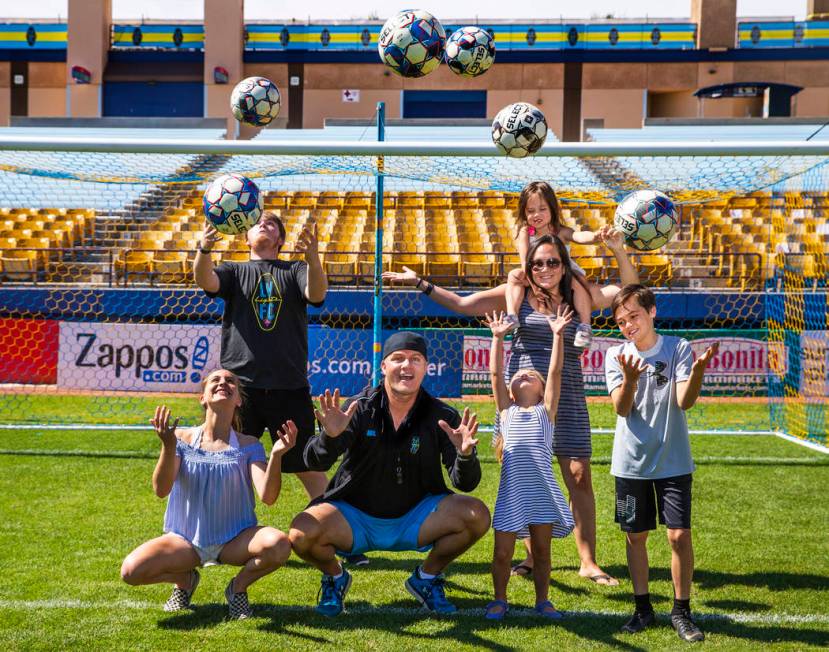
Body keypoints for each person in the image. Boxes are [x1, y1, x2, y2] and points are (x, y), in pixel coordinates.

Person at [384, 231, 636, 586]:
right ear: (528, 268)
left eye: (552, 262)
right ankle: (532, 556)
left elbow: (628, 293)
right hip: (520, 401)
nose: (545, 268)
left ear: (564, 266)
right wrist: (419, 283)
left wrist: (619, 251)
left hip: (568, 393)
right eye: (537, 263)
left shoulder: (578, 295)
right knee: (523, 475)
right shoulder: (514, 294)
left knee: (578, 475)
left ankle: (588, 561)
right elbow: (462, 304)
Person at [288, 331, 490, 617]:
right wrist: (330, 437)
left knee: (476, 514)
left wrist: (465, 456)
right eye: (398, 358)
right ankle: (335, 577)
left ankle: (427, 579)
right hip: (355, 518)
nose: (406, 366)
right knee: (301, 532)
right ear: (383, 366)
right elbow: (314, 460)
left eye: (415, 359)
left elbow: (465, 484)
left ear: (426, 368)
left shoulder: (442, 415)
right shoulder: (360, 407)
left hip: (417, 518)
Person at [120, 369, 296, 619]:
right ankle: (185, 579)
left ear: (239, 400)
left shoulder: (249, 445)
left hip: (235, 541)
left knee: (278, 544)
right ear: (202, 397)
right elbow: (161, 490)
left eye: (230, 381)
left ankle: (237, 589)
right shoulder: (181, 438)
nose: (223, 383)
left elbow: (268, 496)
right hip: (186, 541)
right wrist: (168, 446)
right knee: (131, 571)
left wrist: (277, 455)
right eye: (215, 380)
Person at [194, 211, 333, 522]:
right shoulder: (232, 270)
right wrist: (203, 251)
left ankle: (337, 533)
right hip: (240, 391)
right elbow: (207, 280)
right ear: (245, 237)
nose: (264, 226)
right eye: (258, 222)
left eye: (272, 224)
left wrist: (313, 260)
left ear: (280, 240)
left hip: (290, 388)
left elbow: (317, 293)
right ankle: (221, 530)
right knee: (226, 460)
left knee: (306, 464)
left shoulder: (295, 269)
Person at [605, 284, 718, 642]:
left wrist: (697, 371)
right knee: (635, 536)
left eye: (633, 316)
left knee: (678, 535)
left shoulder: (677, 348)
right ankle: (642, 609)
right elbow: (621, 409)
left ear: (652, 312)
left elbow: (684, 402)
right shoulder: (617, 356)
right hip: (630, 464)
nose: (628, 326)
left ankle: (682, 611)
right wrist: (630, 380)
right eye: (621, 321)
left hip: (673, 461)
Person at [484, 308, 575, 621]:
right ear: (509, 391)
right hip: (512, 494)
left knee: (542, 553)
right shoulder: (506, 412)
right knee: (502, 553)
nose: (523, 374)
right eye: (518, 375)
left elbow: (556, 373)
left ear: (540, 390)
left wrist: (558, 334)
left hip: (542, 494)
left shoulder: (546, 413)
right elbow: (496, 374)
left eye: (531, 375)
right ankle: (499, 599)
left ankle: (543, 600)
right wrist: (498, 338)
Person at [505, 181, 605, 348]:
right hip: (535, 273)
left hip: (563, 272)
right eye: (531, 211)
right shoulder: (525, 232)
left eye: (542, 209)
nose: (536, 214)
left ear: (552, 209)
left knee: (577, 282)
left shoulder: (559, 231)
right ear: (524, 212)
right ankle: (512, 316)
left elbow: (579, 236)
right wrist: (534, 287)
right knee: (513, 276)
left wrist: (595, 236)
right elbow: (525, 263)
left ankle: (585, 326)